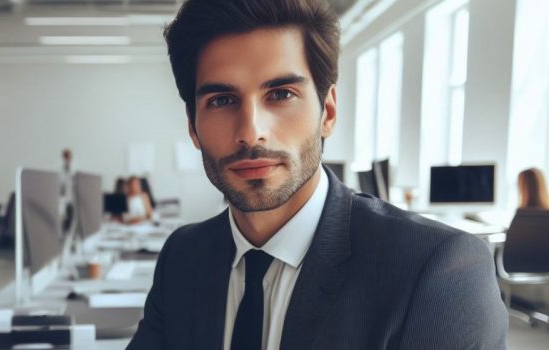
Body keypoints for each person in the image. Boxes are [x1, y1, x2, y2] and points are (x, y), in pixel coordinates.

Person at [127, 0, 507, 349]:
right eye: (222, 101)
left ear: (327, 112)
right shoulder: (183, 257)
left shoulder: (437, 270)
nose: (250, 130)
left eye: (280, 94)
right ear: (193, 127)